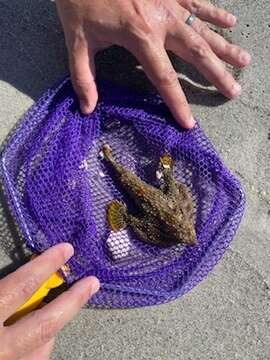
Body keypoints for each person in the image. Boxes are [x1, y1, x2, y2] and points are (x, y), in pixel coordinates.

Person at [0, 1, 251, 359]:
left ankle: (110, 160)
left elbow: (173, 197)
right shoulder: (174, 221)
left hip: (147, 193)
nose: (188, 233)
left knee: (129, 180)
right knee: (126, 178)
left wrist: (136, 211)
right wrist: (131, 216)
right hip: (142, 191)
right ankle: (110, 160)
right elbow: (170, 199)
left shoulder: (178, 214)